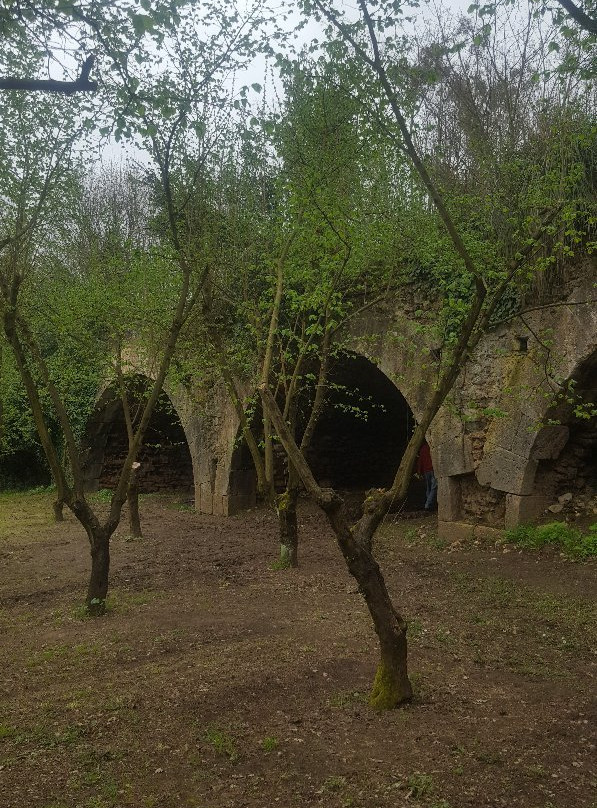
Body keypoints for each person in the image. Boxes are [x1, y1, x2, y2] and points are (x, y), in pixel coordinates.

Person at [416, 440, 437, 512]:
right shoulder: (432, 447)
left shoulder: (422, 449)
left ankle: (429, 506)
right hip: (433, 469)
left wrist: (419, 472)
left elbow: (420, 461)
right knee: (434, 487)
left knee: (429, 488)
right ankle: (428, 504)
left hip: (426, 471)